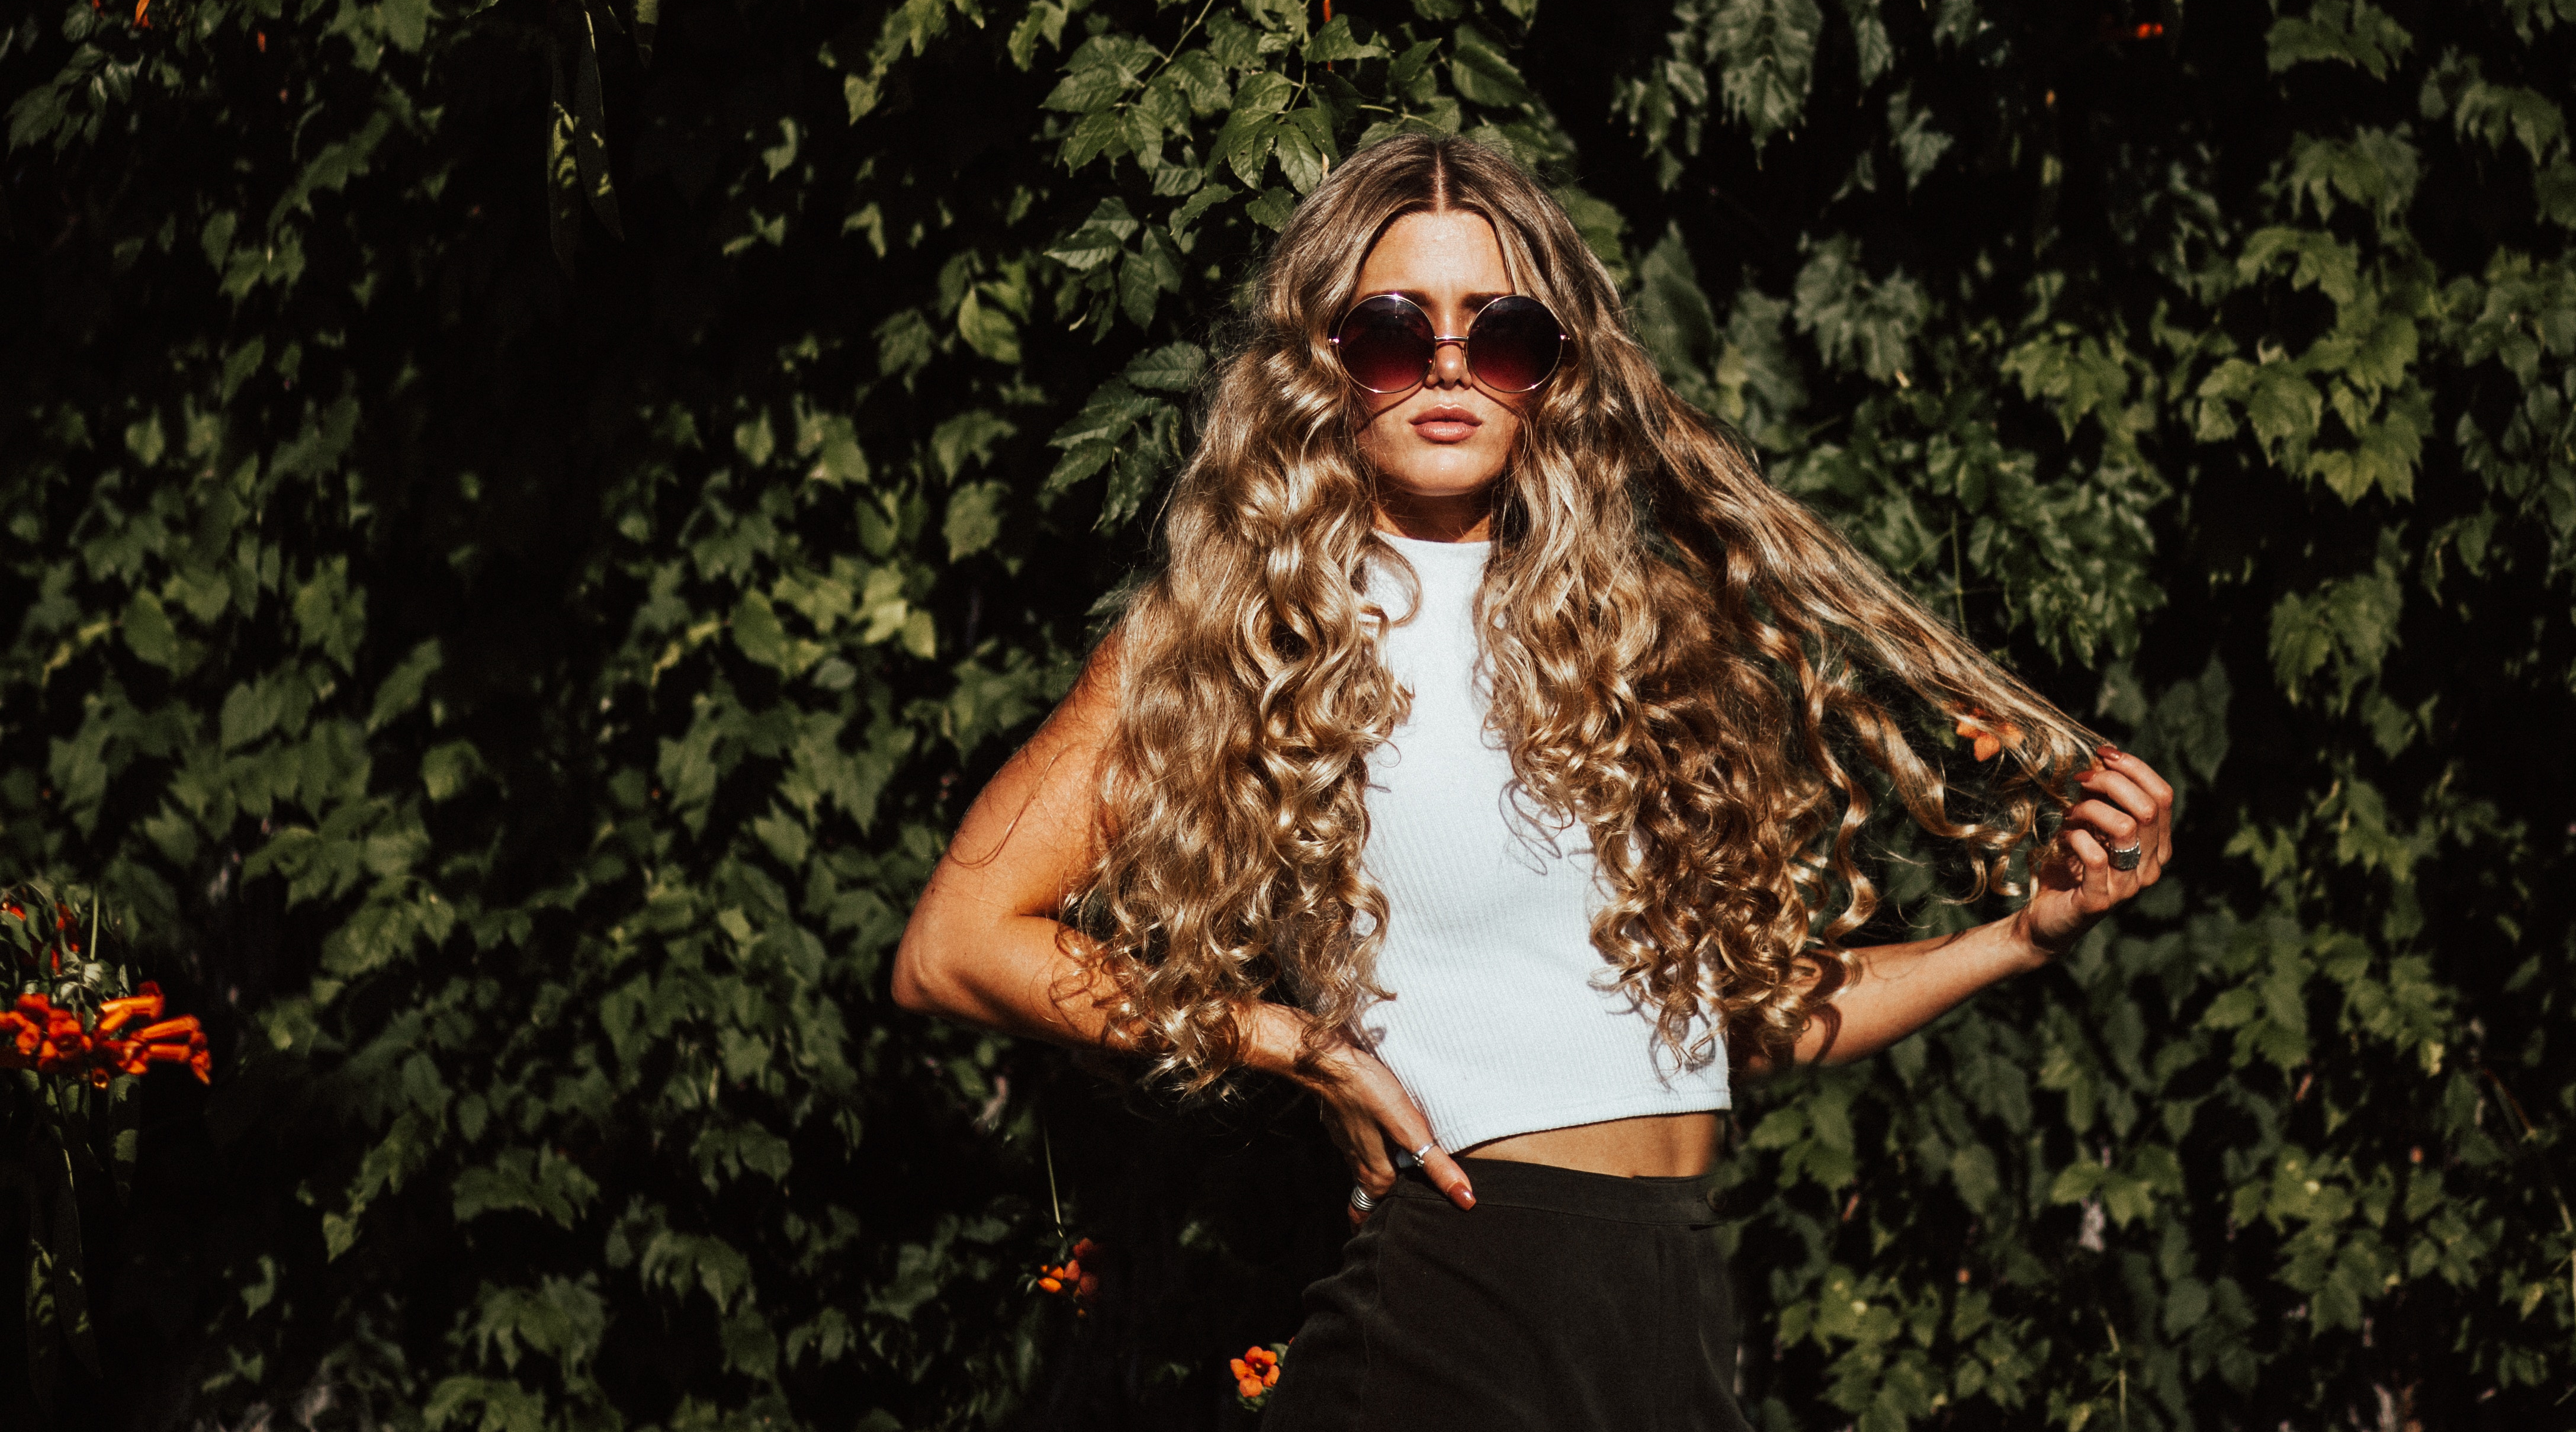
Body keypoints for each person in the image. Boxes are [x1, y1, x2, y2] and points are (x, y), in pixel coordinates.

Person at [891, 133, 2176, 1429]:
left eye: (1500, 334)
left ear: (1554, 372)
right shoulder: (1247, 632)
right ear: (1323, 366)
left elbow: (1740, 1024)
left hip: (1669, 1305)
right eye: (1394, 333)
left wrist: (2023, 935)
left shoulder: (1632, 635)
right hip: (1461, 1303)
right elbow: (951, 947)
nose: (1449, 370)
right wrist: (1292, 1043)